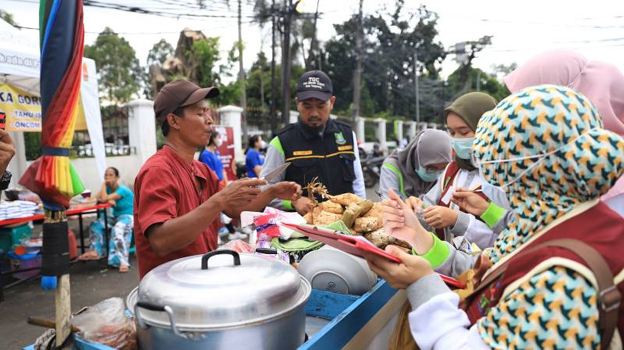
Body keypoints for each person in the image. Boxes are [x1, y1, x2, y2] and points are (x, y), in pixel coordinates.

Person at [366, 85, 624, 350]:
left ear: (524, 169)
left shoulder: (564, 276)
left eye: (491, 162)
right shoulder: (552, 221)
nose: (487, 174)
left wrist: (421, 285)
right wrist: (418, 237)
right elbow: (487, 267)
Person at [134, 79, 301, 278]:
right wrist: (220, 199)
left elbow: (235, 211)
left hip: (201, 280)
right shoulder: (158, 170)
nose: (209, 120)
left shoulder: (201, 169)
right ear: (174, 121)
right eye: (199, 113)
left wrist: (272, 191)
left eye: (207, 112)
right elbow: (161, 241)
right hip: (168, 292)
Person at [411, 92, 507, 250]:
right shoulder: (452, 170)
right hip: (445, 266)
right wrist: (415, 209)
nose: (457, 139)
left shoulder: (505, 178)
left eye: (464, 132)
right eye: (452, 133)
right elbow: (428, 208)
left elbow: (507, 236)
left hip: (485, 269)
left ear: (488, 130)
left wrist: (458, 221)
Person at [261, 70, 365, 215]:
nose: (314, 113)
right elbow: (264, 192)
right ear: (298, 104)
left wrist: (361, 215)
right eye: (307, 106)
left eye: (321, 106)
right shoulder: (282, 142)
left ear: (332, 103)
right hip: (302, 232)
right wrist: (293, 201)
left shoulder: (347, 135)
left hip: (344, 230)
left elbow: (358, 184)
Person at [78, 167, 134, 273]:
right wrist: (81, 201)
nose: (107, 177)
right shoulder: (107, 190)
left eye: (111, 175)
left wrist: (103, 185)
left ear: (117, 177)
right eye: (106, 175)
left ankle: (122, 261)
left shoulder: (122, 190)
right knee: (96, 224)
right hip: (115, 217)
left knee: (118, 229)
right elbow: (93, 199)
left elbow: (104, 199)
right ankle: (96, 251)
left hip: (129, 216)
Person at [379, 129, 452, 201]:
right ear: (416, 158)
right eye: (431, 168)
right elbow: (389, 204)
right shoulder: (392, 166)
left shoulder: (447, 171)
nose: (436, 174)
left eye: (442, 168)